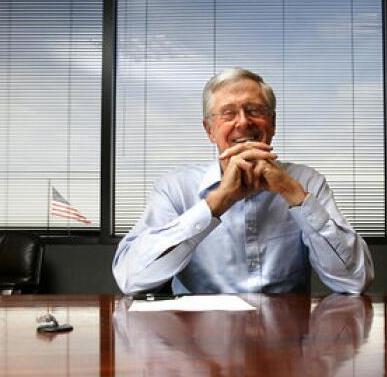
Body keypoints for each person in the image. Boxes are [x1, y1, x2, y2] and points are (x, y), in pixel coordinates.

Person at [113, 67, 373, 294]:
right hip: (199, 342)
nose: (243, 122)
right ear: (210, 130)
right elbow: (131, 279)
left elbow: (354, 281)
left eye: (255, 110)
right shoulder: (175, 188)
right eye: (228, 113)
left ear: (272, 123)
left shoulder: (307, 182)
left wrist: (291, 193)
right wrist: (217, 202)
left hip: (288, 340)